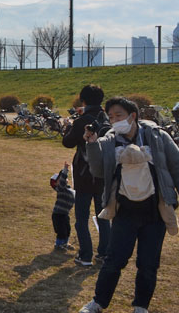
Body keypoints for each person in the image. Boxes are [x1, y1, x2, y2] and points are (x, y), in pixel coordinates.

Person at [78, 97, 179, 313]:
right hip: (125, 211)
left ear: (133, 116)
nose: (114, 121)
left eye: (119, 116)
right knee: (114, 260)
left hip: (155, 212)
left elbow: (177, 166)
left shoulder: (158, 136)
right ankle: (98, 302)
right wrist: (92, 143)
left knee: (148, 263)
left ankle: (141, 306)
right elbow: (97, 170)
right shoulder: (109, 140)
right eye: (111, 117)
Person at [62, 84, 111, 266]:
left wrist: (67, 127)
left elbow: (68, 142)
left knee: (81, 217)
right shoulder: (108, 119)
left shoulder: (83, 121)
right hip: (104, 173)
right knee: (103, 215)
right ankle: (104, 253)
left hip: (84, 173)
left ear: (83, 100)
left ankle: (85, 255)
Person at [51, 162, 75, 251]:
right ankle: (58, 244)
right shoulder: (61, 189)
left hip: (65, 214)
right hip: (58, 215)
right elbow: (62, 181)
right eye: (60, 179)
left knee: (67, 229)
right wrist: (65, 170)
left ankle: (65, 243)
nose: (64, 180)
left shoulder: (68, 190)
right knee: (61, 231)